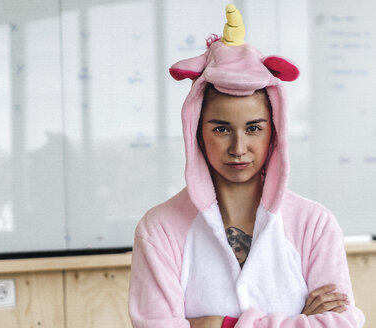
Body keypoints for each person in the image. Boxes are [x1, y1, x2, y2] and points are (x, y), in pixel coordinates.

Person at [128, 4, 365, 328]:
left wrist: (215, 324)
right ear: (197, 132)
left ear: (274, 132)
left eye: (254, 128)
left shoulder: (315, 225)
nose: (239, 148)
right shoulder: (160, 229)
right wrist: (299, 321)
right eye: (221, 128)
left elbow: (342, 323)